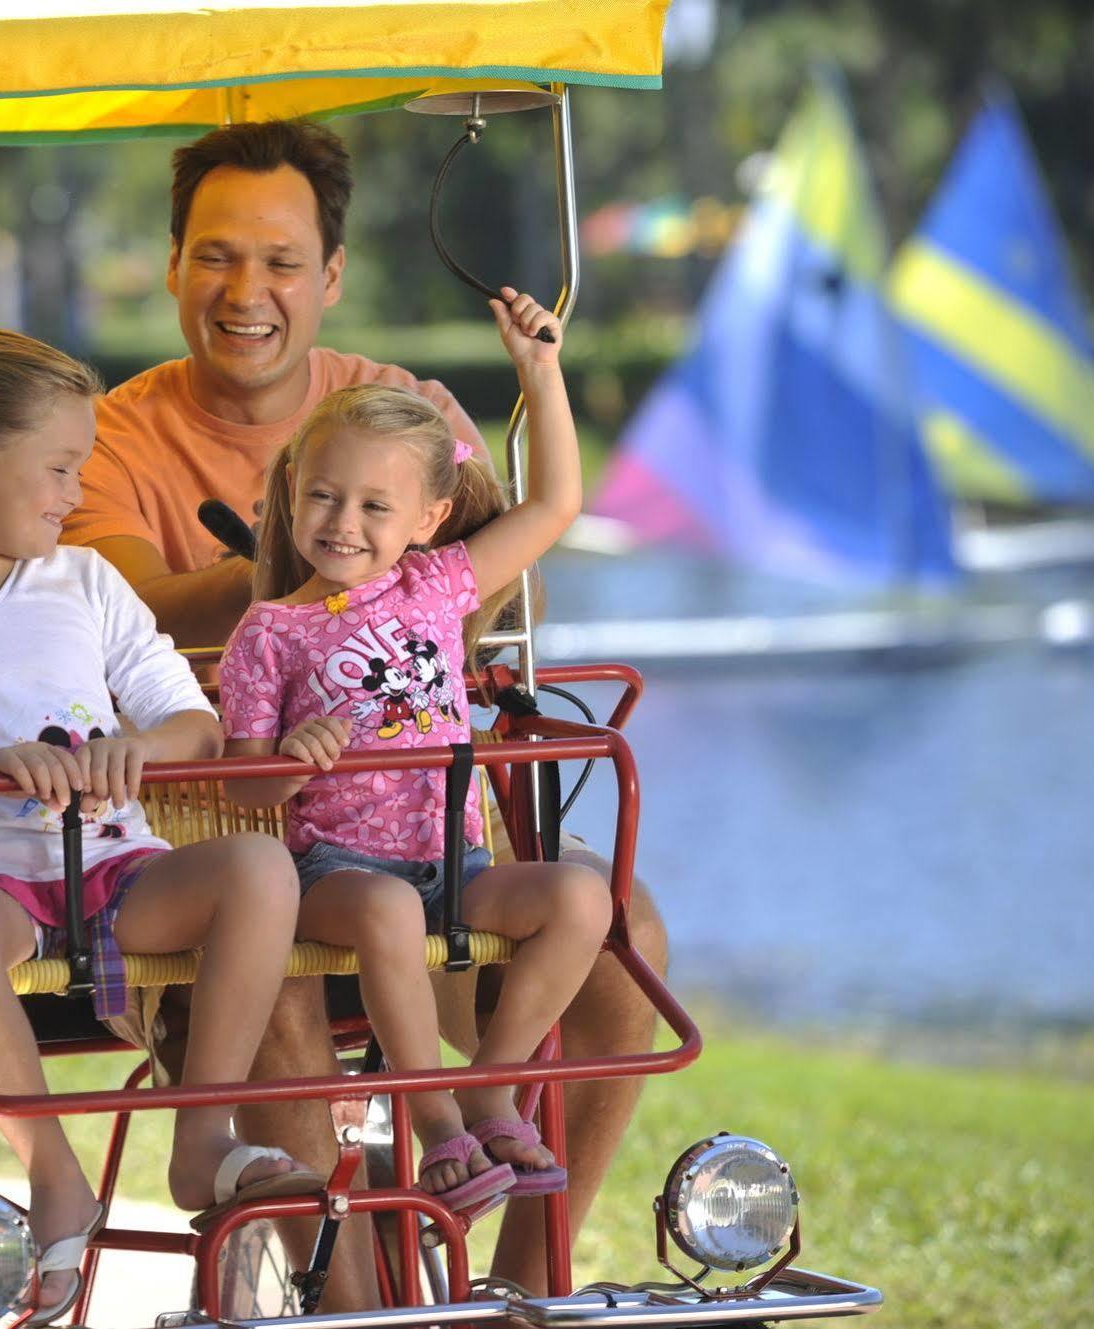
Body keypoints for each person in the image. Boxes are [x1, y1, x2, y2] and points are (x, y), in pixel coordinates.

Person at [62, 118, 671, 1297]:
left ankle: (524, 1286)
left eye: (283, 262)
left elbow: (510, 571)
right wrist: (317, 563)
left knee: (623, 934)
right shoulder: (105, 440)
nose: (249, 291)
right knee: (277, 966)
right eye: (218, 256)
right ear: (176, 261)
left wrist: (466, 492)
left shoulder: (389, 408)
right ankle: (357, 1317)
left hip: (427, 829)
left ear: (331, 276)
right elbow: (115, 613)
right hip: (228, 839)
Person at [0, 328, 318, 1322]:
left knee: (258, 869)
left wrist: (139, 749)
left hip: (112, 870)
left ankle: (202, 1137)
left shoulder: (85, 583)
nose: (72, 493)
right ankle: (52, 1171)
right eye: (58, 468)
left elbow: (191, 723)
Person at [222, 289, 612, 1217]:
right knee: (391, 908)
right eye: (322, 494)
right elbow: (240, 789)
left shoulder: (440, 586)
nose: (342, 521)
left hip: (455, 860)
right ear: (291, 492)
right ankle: (436, 1122)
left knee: (577, 893)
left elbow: (557, 501)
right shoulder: (268, 631)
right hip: (335, 872)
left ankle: (490, 1084)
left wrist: (539, 371)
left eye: (372, 503)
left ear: (429, 518)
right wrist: (289, 754)